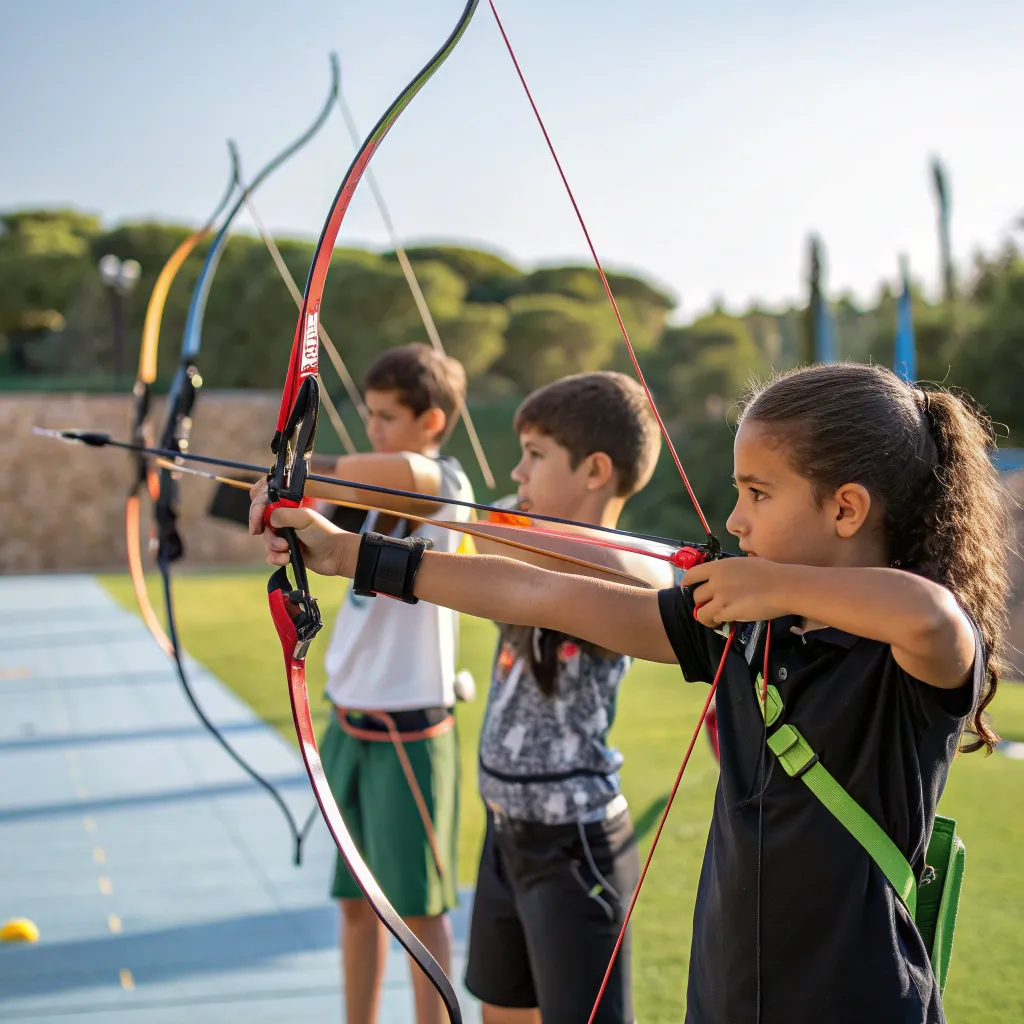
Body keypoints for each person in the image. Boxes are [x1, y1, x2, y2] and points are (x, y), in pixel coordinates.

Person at [251, 362, 1009, 1024]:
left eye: (757, 494)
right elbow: (539, 595)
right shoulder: (742, 629)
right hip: (723, 996)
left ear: (845, 508)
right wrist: (353, 553)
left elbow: (935, 615)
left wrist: (771, 583)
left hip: (860, 1002)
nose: (735, 519)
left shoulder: (908, 664)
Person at [465, 372, 671, 1024]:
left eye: (535, 455)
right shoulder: (522, 540)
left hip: (574, 846)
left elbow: (639, 575)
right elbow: (483, 542)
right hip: (505, 833)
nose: (516, 472)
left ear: (596, 471)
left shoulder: (633, 564)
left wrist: (497, 526)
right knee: (500, 1012)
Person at [306, 343, 475, 1024]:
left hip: (410, 728)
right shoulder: (368, 506)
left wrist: (298, 471)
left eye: (386, 416)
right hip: (348, 718)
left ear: (430, 420)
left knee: (417, 913)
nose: (372, 428)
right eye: (368, 415)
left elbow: (376, 475)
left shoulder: (446, 487)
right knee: (355, 903)